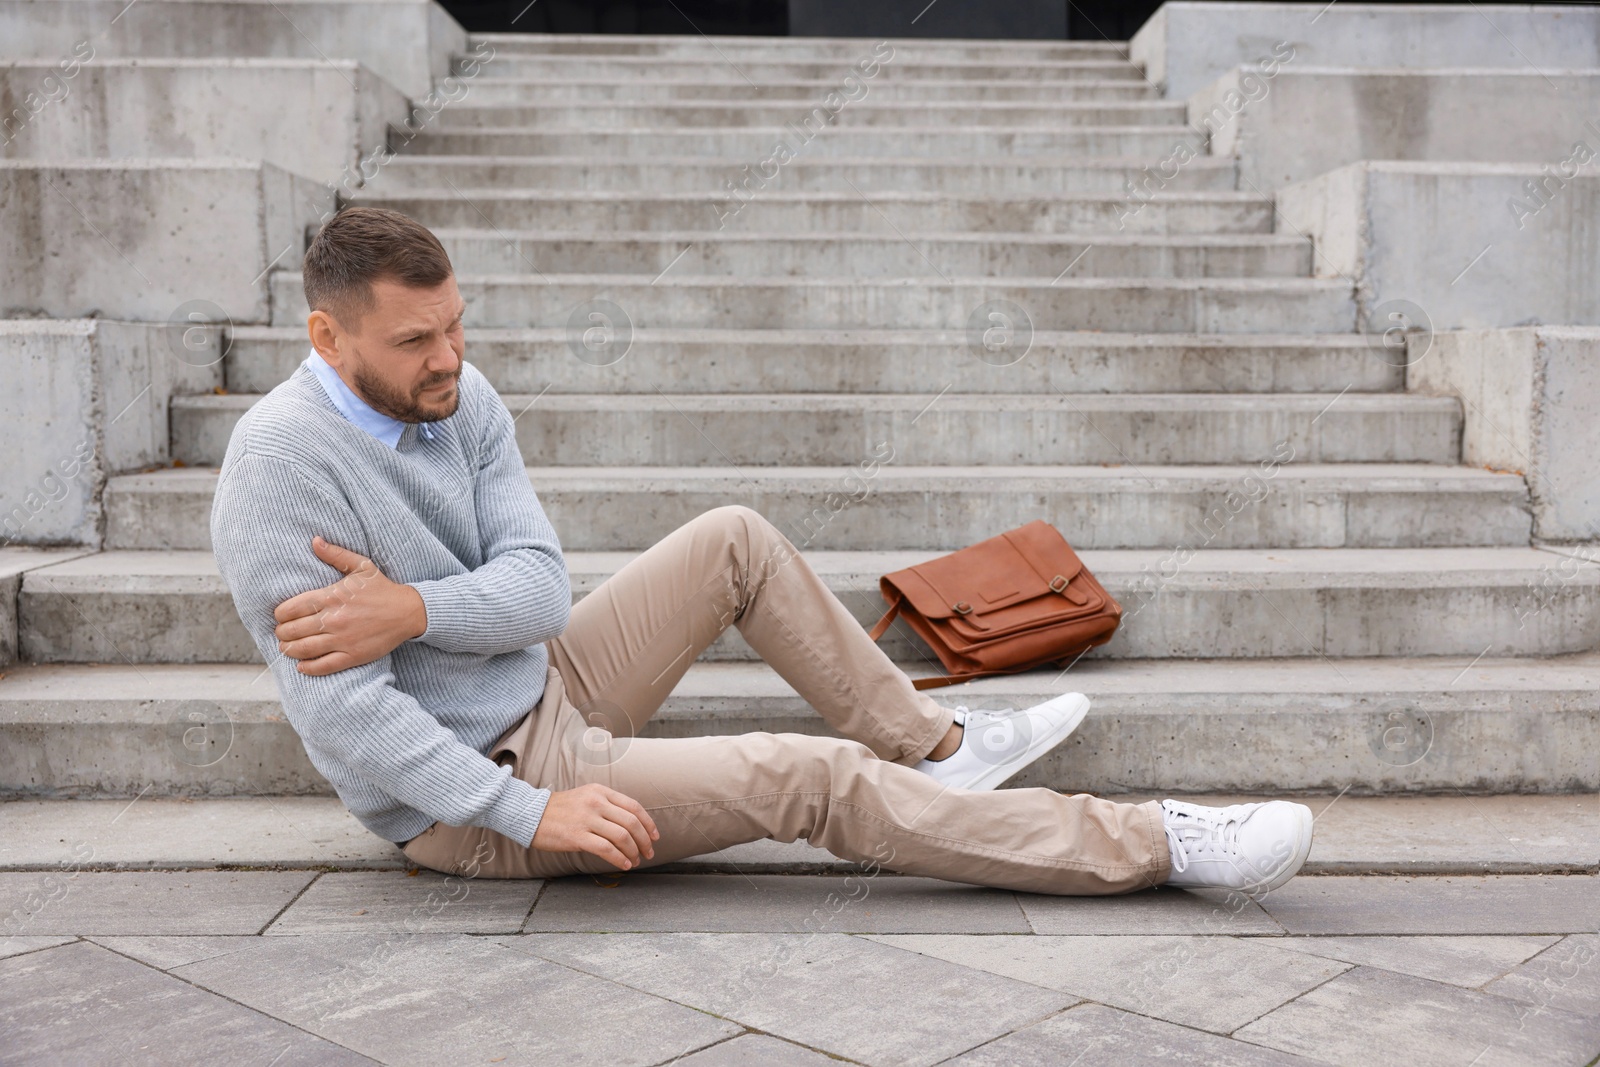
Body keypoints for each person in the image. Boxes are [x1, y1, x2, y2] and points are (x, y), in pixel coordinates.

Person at [210, 207, 1314, 897]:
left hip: (539, 676)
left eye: (457, 324)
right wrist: (528, 811)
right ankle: (1152, 843)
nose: (450, 357)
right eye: (416, 340)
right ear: (326, 335)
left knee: (733, 538)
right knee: (808, 775)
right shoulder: (279, 469)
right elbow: (347, 719)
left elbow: (539, 590)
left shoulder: (462, 394)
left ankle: (934, 747)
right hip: (471, 792)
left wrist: (413, 611)